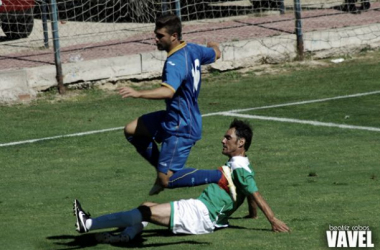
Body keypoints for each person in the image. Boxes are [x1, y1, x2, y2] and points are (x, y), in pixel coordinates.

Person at [73, 119, 290, 243]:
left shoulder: (240, 167)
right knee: (146, 207)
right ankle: (126, 236)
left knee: (146, 212)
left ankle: (88, 224)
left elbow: (255, 194)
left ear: (241, 143)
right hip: (199, 210)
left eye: (228, 138)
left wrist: (272, 219)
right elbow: (249, 190)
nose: (223, 140)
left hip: (201, 214)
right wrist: (251, 215)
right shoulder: (242, 165)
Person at [118, 13, 222, 196]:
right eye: (155, 34)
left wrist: (138, 93)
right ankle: (161, 170)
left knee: (167, 180)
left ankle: (220, 176)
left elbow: (168, 91)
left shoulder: (175, 62)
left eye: (160, 36)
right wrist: (213, 45)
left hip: (181, 125)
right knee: (131, 129)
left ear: (173, 36)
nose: (156, 39)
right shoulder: (192, 49)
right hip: (172, 116)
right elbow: (216, 54)